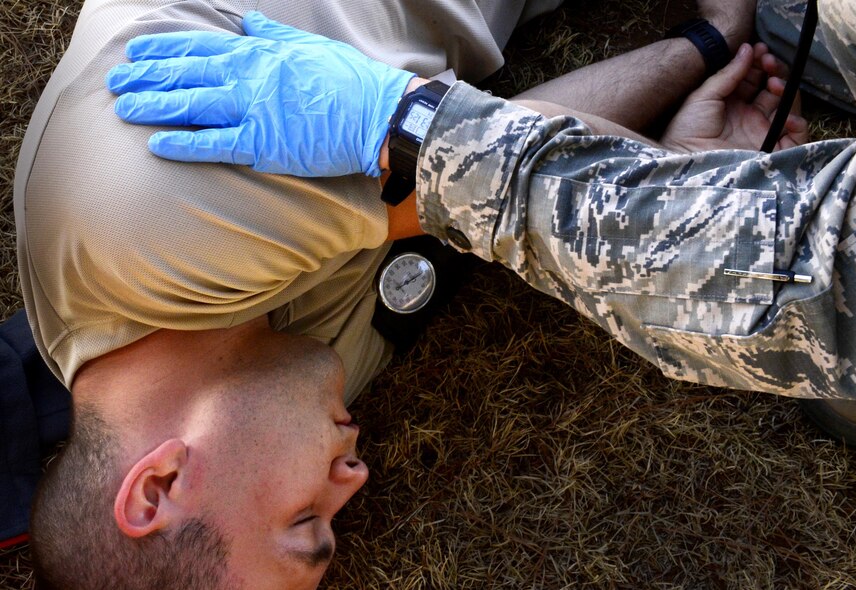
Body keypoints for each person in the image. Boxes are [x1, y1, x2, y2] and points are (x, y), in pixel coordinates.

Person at [14, 0, 761, 588]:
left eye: (306, 519)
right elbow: (484, 176)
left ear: (162, 484)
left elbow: (500, 168)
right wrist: (704, 51)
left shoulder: (142, 225)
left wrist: (679, 184)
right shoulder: (270, 371)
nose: (354, 479)